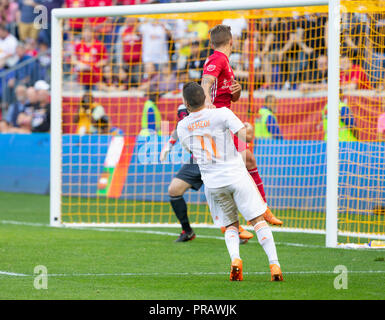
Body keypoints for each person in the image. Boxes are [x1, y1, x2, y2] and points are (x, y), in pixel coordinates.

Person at [177, 82, 283, 282]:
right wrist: (249, 130)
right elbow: (245, 135)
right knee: (257, 221)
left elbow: (191, 150)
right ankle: (274, 264)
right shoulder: (222, 113)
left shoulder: (182, 126)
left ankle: (235, 260)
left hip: (214, 183)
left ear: (186, 104)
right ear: (205, 97)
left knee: (231, 224)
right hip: (236, 175)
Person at [200, 24, 283, 226]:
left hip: (224, 119)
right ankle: (236, 222)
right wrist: (208, 102)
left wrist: (237, 90)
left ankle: (259, 211)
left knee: (246, 163)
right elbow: (206, 81)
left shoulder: (226, 63)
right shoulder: (217, 58)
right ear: (231, 41)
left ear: (212, 42)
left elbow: (231, 96)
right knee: (234, 168)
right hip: (217, 123)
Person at [160, 104, 254, 243]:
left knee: (222, 195)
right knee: (174, 190)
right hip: (197, 159)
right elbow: (180, 126)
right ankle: (187, 231)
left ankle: (237, 231)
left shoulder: (213, 107)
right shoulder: (184, 107)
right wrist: (170, 144)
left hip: (217, 158)